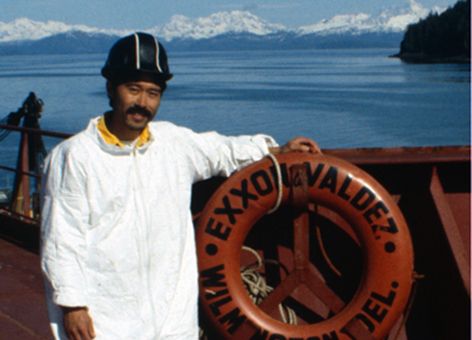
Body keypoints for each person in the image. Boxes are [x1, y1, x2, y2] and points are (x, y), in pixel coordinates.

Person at [40, 32, 320, 340]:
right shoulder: (75, 156)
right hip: (107, 318)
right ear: (111, 88)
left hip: (172, 318)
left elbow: (221, 150)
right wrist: (72, 305)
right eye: (133, 89)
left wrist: (275, 150)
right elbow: (61, 237)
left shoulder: (172, 143)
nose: (142, 103)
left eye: (152, 92)